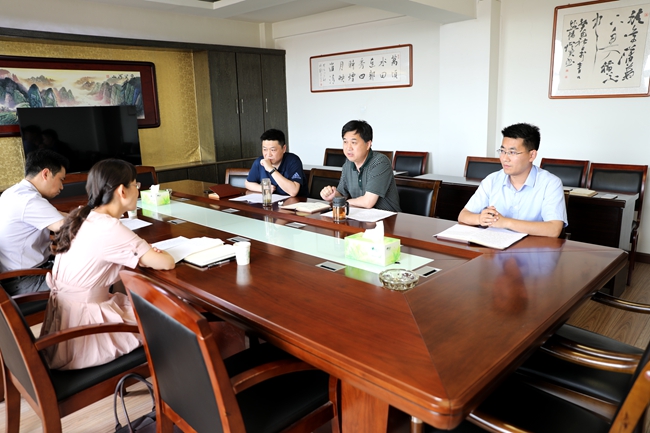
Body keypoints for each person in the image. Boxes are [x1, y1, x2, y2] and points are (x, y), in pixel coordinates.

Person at [40, 159, 176, 370]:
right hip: (86, 334)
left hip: (65, 324)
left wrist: (142, 249)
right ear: (122, 191)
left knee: (148, 306)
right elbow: (166, 263)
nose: (138, 190)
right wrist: (154, 251)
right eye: (136, 185)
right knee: (174, 319)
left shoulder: (82, 215)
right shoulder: (108, 227)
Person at [458, 123, 567, 238]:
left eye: (512, 152)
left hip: (530, 247)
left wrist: (505, 222)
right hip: (494, 245)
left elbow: (554, 229)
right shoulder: (492, 180)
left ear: (532, 155)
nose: (505, 158)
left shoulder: (550, 183)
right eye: (502, 151)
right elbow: (463, 215)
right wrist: (480, 218)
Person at [0, 149, 68, 295]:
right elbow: (65, 226)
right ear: (46, 174)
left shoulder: (12, 193)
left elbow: (59, 216)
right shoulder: (29, 200)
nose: (62, 187)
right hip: (25, 280)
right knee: (93, 278)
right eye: (61, 179)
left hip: (17, 276)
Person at [320, 120, 401, 212]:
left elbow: (368, 202)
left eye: (353, 142)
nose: (348, 147)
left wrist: (343, 202)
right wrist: (333, 196)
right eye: (345, 142)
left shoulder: (380, 162)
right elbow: (342, 194)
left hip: (387, 218)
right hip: (360, 215)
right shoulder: (348, 164)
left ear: (368, 144)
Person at [245, 129, 307, 197]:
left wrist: (271, 169)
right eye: (265, 149)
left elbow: (293, 191)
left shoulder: (293, 161)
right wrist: (263, 188)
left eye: (273, 150)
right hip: (271, 202)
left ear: (284, 148)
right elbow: (248, 183)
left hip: (295, 202)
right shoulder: (259, 162)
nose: (268, 154)